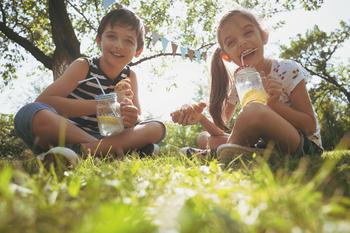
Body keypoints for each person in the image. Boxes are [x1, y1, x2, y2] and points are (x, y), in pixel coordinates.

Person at [14, 8, 166, 166]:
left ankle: (79, 152)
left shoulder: (130, 76)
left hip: (109, 137)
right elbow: (46, 101)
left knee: (158, 128)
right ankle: (109, 152)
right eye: (112, 36)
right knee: (30, 113)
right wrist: (105, 103)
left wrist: (132, 118)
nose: (118, 45)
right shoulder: (83, 66)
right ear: (99, 40)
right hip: (66, 131)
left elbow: (136, 119)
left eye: (128, 41)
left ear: (138, 51)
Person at [171, 9, 323, 160]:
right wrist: (201, 118)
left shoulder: (287, 69)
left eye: (248, 33)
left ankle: (216, 156)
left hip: (303, 146)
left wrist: (274, 105)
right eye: (231, 42)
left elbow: (310, 125)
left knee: (254, 110)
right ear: (227, 56)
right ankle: (245, 155)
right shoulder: (241, 81)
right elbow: (219, 129)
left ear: (263, 36)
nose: (242, 42)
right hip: (266, 145)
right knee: (206, 138)